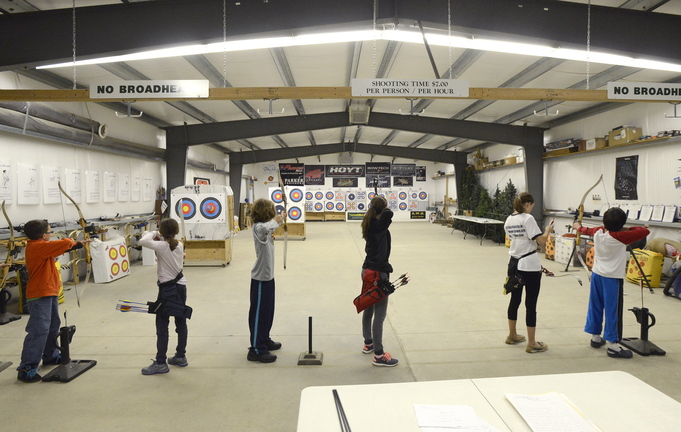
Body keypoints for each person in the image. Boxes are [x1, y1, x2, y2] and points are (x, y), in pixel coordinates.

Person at [573, 207, 649, 358]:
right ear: (621, 224)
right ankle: (613, 346)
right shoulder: (622, 236)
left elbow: (586, 229)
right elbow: (644, 231)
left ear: (603, 221)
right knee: (612, 310)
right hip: (612, 278)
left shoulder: (598, 231)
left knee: (595, 306)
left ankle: (595, 337)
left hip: (597, 275)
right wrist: (625, 227)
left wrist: (578, 227)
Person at [17, 220, 86, 383]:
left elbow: (54, 252)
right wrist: (71, 243)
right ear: (43, 236)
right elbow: (66, 241)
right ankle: (26, 367)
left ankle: (50, 356)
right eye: (49, 232)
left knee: (53, 325)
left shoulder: (41, 248)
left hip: (49, 291)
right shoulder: (36, 246)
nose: (51, 234)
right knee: (39, 330)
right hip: (39, 294)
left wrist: (74, 246)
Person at [504, 192, 554, 354]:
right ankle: (532, 343)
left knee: (515, 299)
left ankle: (512, 335)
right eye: (532, 205)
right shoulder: (527, 218)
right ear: (527, 204)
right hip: (529, 265)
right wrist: (547, 230)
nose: (532, 208)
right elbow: (541, 241)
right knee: (530, 303)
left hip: (514, 263)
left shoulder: (510, 219)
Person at [138, 218, 188, 375]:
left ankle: (161, 362)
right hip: (181, 286)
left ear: (162, 231)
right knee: (180, 321)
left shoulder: (162, 246)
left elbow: (142, 241)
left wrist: (155, 232)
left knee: (162, 324)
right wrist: (162, 236)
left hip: (167, 289)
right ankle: (181, 356)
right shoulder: (178, 245)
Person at [360, 196, 398, 367]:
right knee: (380, 315)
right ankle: (379, 354)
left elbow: (384, 213)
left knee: (368, 308)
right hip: (378, 274)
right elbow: (389, 214)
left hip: (367, 270)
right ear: (382, 209)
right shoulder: (379, 224)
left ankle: (368, 342)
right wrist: (382, 205)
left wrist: (376, 204)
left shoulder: (369, 222)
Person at [247, 198, 284, 363]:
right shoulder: (258, 227)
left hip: (268, 277)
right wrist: (277, 220)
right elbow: (265, 228)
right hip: (260, 278)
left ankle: (264, 339)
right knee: (259, 314)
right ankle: (255, 349)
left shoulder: (266, 228)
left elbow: (268, 230)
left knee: (268, 312)